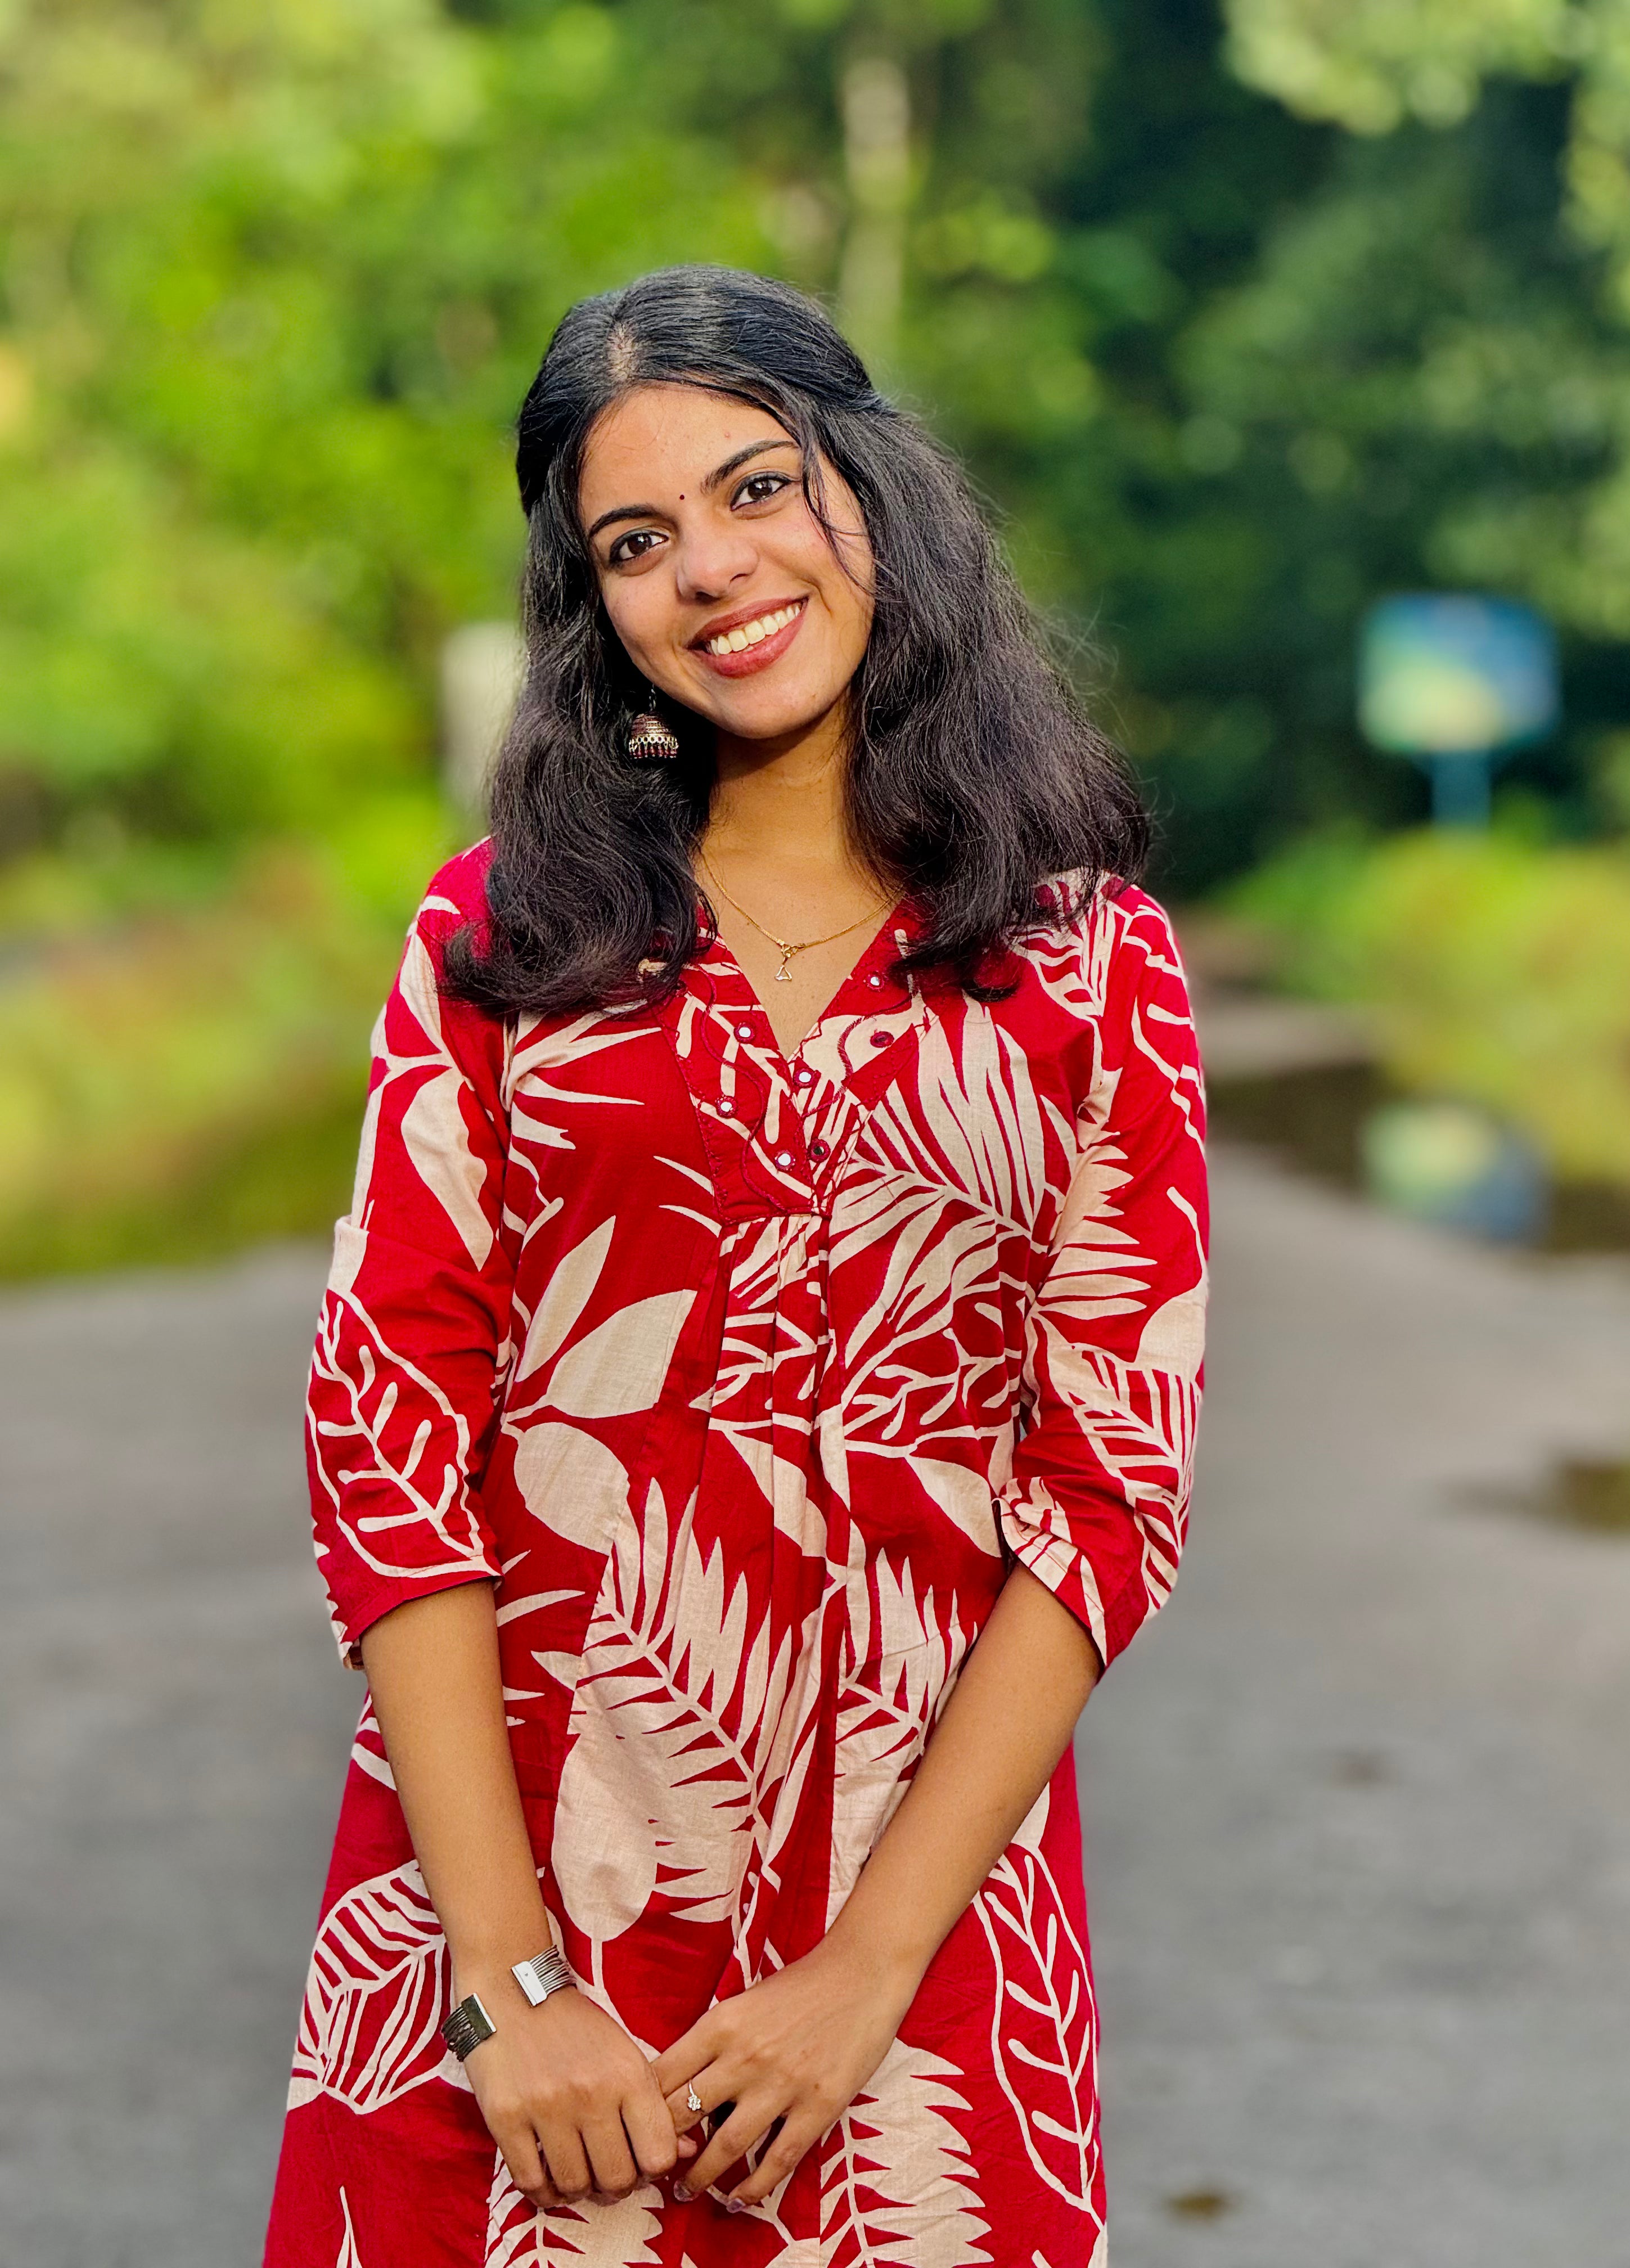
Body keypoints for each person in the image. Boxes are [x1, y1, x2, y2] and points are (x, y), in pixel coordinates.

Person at [264, 264, 1208, 2268]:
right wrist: (509, 1987)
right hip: (513, 1947)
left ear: (870, 494)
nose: (711, 568)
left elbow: (1111, 1488)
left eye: (758, 488)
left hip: (923, 1959)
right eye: (635, 541)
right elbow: (389, 1454)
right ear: (591, 608)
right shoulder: (497, 946)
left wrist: (869, 1972)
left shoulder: (1085, 959)